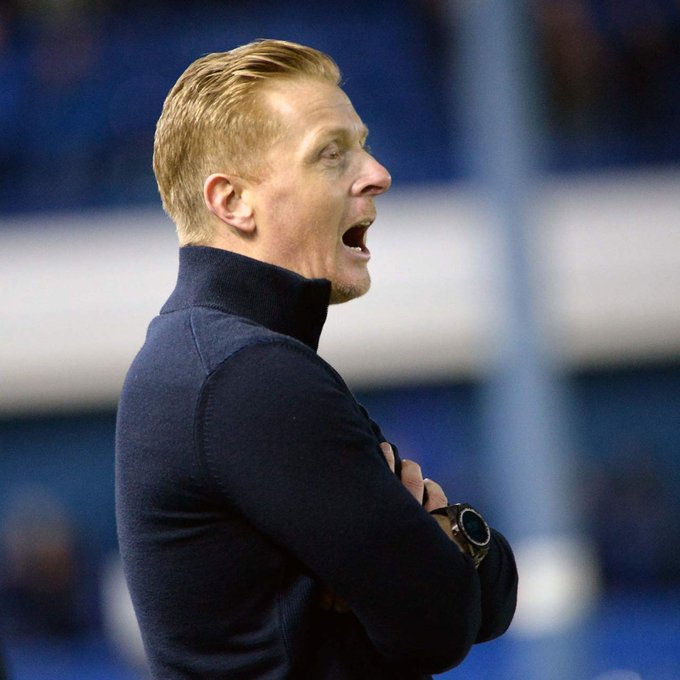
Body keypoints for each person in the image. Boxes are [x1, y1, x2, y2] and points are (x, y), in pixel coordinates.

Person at [115, 39, 517, 679]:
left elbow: (480, 607)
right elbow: (440, 621)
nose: (378, 173)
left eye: (363, 145)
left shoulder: (209, 355)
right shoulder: (247, 375)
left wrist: (433, 561)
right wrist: (449, 542)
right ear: (232, 201)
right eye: (332, 154)